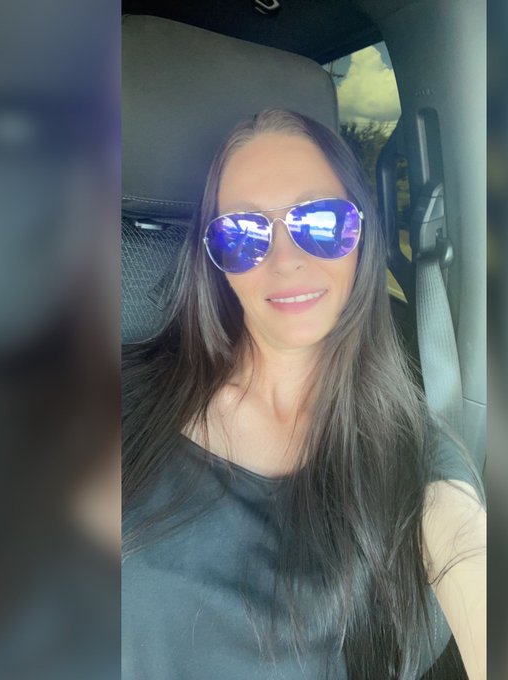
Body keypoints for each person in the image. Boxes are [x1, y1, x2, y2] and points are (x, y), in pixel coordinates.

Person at [122, 109, 486, 679]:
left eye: (319, 221)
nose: (286, 259)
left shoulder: (416, 464)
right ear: (215, 261)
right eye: (243, 234)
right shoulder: (122, 397)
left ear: (361, 233)